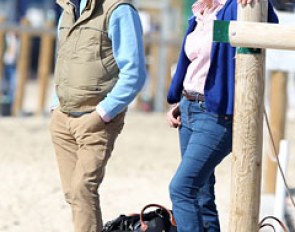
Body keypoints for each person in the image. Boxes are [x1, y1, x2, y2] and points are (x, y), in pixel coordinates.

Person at [166, 0, 278, 231]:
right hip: (188, 107)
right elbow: (196, 63)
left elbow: (271, 24)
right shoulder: (198, 12)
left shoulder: (235, 6)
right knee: (201, 194)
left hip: (215, 114)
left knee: (181, 189)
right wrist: (180, 101)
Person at [49, 0, 146, 231]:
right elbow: (64, 61)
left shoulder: (119, 9)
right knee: (74, 194)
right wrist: (56, 106)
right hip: (63, 118)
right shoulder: (67, 11)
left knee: (83, 188)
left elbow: (135, 72)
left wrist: (103, 113)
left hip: (95, 118)